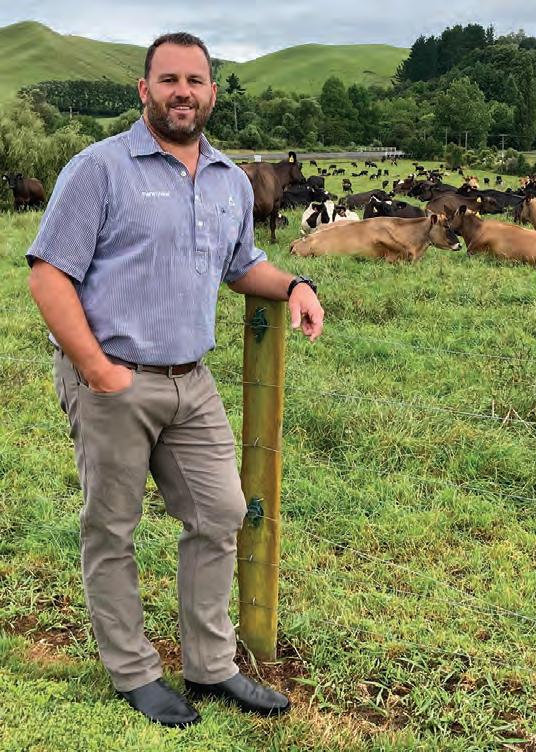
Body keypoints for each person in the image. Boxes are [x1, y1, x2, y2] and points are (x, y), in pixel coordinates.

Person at [26, 32, 324, 728]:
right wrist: (97, 370)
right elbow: (49, 275)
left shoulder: (228, 179)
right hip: (113, 380)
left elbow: (241, 264)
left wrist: (294, 285)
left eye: (194, 80)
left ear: (211, 92)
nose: (182, 92)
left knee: (220, 514)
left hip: (192, 381)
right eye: (168, 80)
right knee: (112, 528)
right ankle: (133, 672)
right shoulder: (99, 169)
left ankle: (210, 665)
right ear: (145, 90)